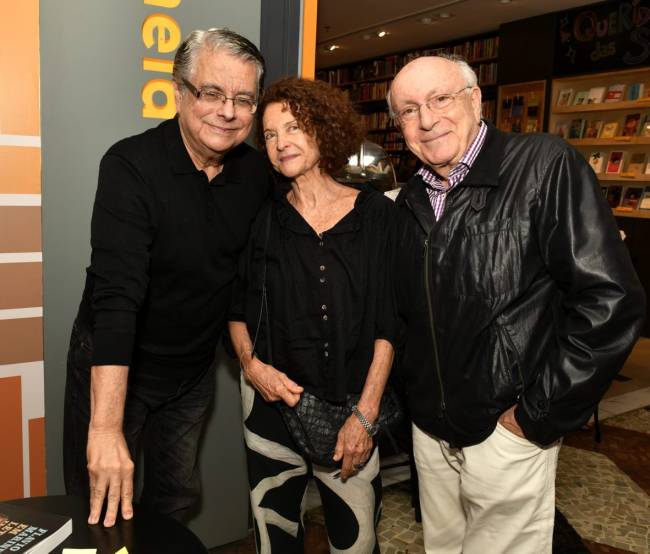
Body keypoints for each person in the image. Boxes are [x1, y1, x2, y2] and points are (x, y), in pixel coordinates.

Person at [389, 54, 646, 554]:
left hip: (507, 427)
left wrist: (532, 417)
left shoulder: (544, 165)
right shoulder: (409, 199)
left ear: (474, 98)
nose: (426, 119)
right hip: (431, 429)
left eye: (440, 99)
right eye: (408, 110)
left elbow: (610, 300)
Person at [63, 28, 270, 527]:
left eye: (243, 99)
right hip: (119, 368)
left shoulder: (256, 174)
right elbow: (117, 298)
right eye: (212, 93)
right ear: (178, 91)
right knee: (104, 509)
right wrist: (106, 426)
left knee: (173, 501)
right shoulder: (130, 166)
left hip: (192, 371)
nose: (228, 111)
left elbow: (249, 278)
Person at [228, 77, 398, 554]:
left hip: (351, 411)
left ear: (323, 129)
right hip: (269, 405)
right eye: (271, 134)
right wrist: (251, 365)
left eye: (294, 127)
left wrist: (366, 415)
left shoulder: (377, 217)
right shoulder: (262, 221)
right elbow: (236, 307)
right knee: (273, 539)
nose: (281, 143)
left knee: (357, 542)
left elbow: (390, 323)